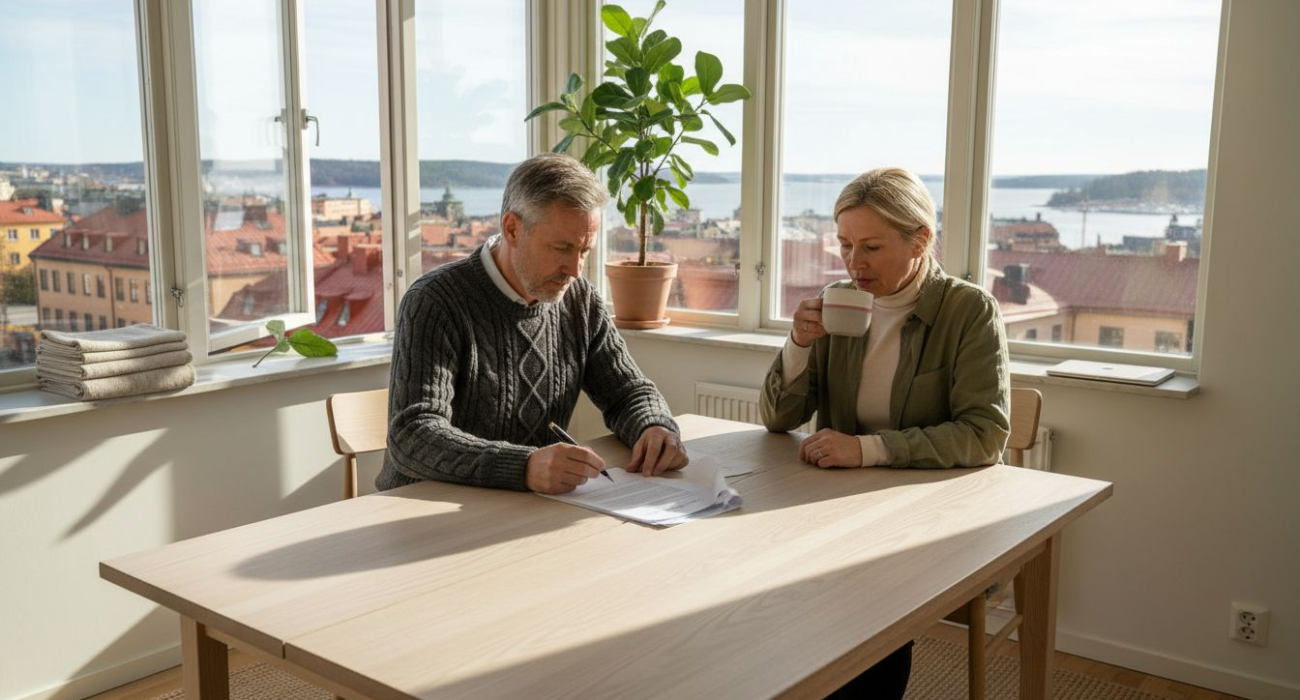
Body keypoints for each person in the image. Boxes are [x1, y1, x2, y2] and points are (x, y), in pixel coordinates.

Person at [760, 167, 1011, 699]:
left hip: (928, 508)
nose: (854, 263)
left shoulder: (968, 311)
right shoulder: (838, 301)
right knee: (760, 585)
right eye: (845, 245)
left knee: (868, 599)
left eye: (871, 246)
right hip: (838, 502)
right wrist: (799, 344)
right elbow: (777, 420)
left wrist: (867, 449)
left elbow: (984, 435)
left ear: (920, 239)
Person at [377, 153, 687, 495]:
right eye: (562, 248)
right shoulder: (435, 301)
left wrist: (654, 426)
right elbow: (413, 434)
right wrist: (523, 466)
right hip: (420, 509)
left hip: (525, 507)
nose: (576, 269)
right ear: (512, 228)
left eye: (585, 251)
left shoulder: (580, 300)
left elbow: (628, 392)